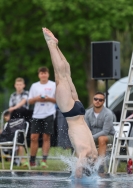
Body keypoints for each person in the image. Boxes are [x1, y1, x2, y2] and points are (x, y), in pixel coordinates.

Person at [42, 28, 98, 177]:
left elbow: (88, 167)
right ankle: (52, 44)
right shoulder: (85, 153)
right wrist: (78, 184)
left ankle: (55, 45)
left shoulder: (94, 154)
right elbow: (79, 171)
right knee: (61, 75)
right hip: (71, 113)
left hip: (79, 110)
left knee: (66, 73)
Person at [28, 67, 56, 168]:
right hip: (37, 114)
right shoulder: (34, 86)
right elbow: (30, 101)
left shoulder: (53, 85)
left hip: (49, 113)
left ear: (48, 74)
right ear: (39, 75)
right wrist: (37, 98)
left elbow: (58, 100)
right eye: (41, 73)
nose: (43, 75)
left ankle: (44, 160)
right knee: (33, 138)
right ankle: (32, 160)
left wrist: (49, 99)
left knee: (46, 137)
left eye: (45, 73)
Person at [85, 91, 115, 172]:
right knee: (82, 140)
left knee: (101, 138)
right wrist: (88, 137)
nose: (97, 101)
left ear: (103, 102)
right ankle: (83, 165)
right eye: (95, 99)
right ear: (93, 100)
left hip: (109, 136)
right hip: (93, 137)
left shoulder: (108, 113)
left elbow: (105, 131)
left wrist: (91, 138)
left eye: (100, 100)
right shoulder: (88, 113)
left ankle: (100, 165)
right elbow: (87, 129)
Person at [8, 78, 29, 166]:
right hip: (14, 119)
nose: (19, 86)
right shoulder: (12, 95)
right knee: (12, 138)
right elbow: (10, 109)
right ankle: (13, 158)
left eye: (20, 84)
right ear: (15, 85)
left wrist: (14, 108)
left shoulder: (26, 93)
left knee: (21, 139)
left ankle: (22, 159)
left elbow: (23, 102)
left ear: (23, 85)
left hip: (23, 118)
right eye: (17, 84)